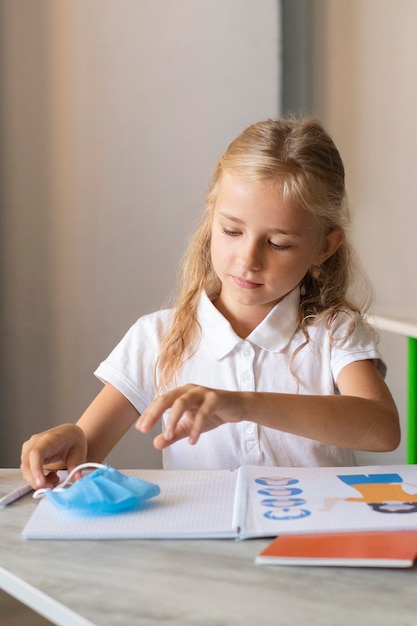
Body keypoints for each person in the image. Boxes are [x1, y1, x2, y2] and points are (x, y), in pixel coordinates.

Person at [21, 117, 400, 489]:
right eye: (232, 231)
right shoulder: (158, 337)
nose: (248, 259)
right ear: (211, 217)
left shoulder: (334, 332)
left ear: (325, 247)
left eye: (278, 243)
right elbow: (83, 451)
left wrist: (244, 404)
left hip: (309, 545)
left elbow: (382, 430)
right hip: (198, 548)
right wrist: (68, 440)